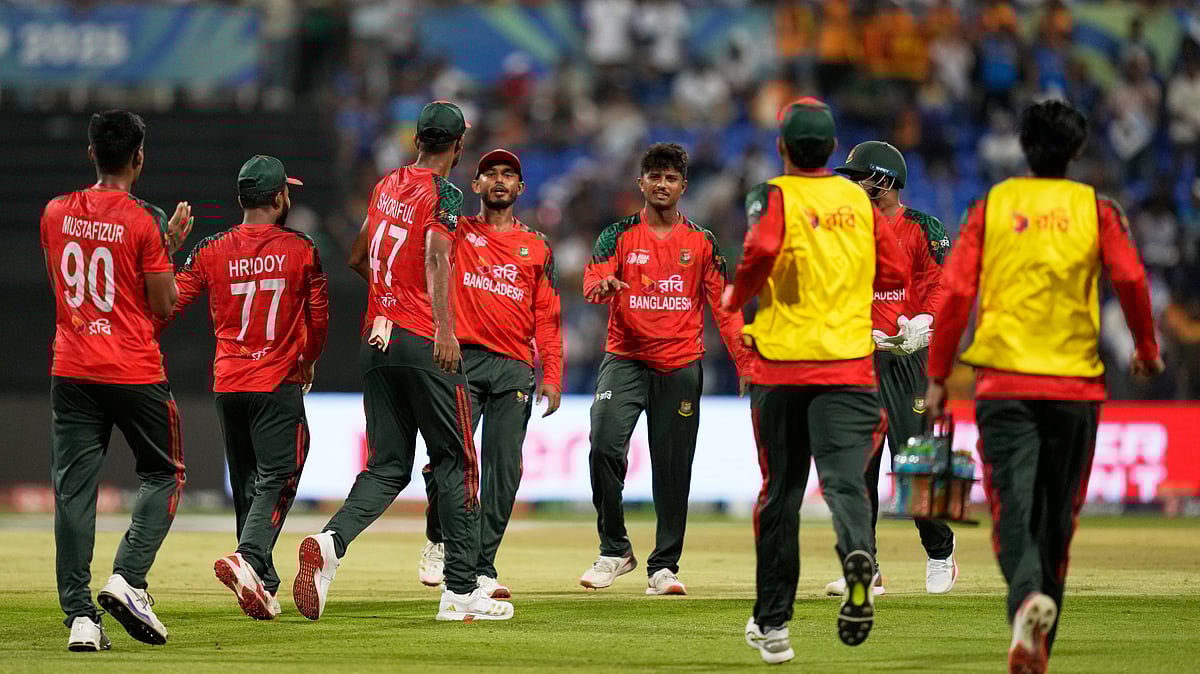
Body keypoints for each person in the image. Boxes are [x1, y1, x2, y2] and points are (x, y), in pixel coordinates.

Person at [925, 100, 1163, 674]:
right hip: (1075, 386)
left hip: (1005, 384)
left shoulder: (991, 207)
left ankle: (1026, 602)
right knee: (1058, 519)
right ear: (1076, 152)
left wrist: (938, 374)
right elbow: (1130, 275)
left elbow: (955, 293)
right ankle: (1035, 641)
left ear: (1023, 147)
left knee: (1012, 508)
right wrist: (1146, 348)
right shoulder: (1097, 209)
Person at [292, 101, 513, 623]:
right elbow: (437, 256)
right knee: (458, 461)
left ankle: (330, 543)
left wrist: (391, 298)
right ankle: (460, 590)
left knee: (387, 466)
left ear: (417, 140)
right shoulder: (446, 193)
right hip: (423, 340)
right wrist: (440, 327)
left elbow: (356, 257)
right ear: (458, 148)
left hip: (377, 338)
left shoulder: (387, 183)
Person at [721, 98, 908, 664]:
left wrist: (736, 295)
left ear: (782, 147)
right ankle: (858, 556)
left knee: (780, 494)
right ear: (832, 150)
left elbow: (762, 249)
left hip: (783, 365)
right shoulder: (858, 200)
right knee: (846, 482)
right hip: (850, 366)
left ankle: (773, 624)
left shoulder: (774, 194)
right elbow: (896, 269)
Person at [40, 110, 192, 651]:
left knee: (73, 494)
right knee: (163, 473)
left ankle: (81, 618)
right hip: (131, 368)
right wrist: (164, 250)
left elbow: (72, 281)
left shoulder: (55, 212)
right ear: (139, 159)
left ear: (91, 155)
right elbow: (163, 302)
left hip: (72, 367)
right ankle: (128, 578)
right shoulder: (144, 219)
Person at [581, 142, 752, 595]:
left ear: (683, 187)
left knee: (673, 468)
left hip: (680, 366)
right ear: (641, 183)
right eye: (654, 176)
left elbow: (727, 307)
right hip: (625, 359)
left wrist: (744, 362)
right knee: (603, 445)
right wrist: (602, 287)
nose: (661, 184)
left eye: (670, 177)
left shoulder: (702, 242)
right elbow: (593, 277)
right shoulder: (617, 235)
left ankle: (663, 567)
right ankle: (614, 548)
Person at [164, 155, 328, 620]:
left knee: (249, 482)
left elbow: (169, 305)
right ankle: (249, 559)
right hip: (276, 378)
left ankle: (262, 580)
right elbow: (318, 321)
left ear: (242, 199)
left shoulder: (210, 248)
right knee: (282, 473)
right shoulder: (302, 249)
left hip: (228, 381)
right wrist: (308, 361)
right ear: (279, 198)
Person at [418, 149, 563, 599]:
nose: (499, 180)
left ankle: (480, 568)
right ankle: (439, 537)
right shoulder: (455, 232)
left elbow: (548, 316)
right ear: (475, 185)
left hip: (514, 368)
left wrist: (552, 374)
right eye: (490, 174)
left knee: (504, 471)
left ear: (521, 189)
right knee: (450, 461)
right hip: (461, 360)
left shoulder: (537, 246)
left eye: (509, 175)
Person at [826, 140, 958, 597]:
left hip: (907, 360)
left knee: (913, 463)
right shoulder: (842, 229)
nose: (852, 185)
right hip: (858, 360)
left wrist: (924, 325)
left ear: (883, 179)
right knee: (856, 467)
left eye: (859, 176)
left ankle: (941, 552)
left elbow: (942, 285)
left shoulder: (923, 227)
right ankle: (865, 565)